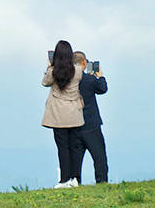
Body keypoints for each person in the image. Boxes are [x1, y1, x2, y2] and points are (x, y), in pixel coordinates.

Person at [41, 40, 84, 188]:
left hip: (58, 114)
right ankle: (75, 178)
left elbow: (45, 82)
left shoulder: (53, 72)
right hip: (75, 113)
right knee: (75, 147)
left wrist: (49, 65)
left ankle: (64, 179)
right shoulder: (78, 71)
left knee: (63, 148)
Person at [70, 51, 109, 184]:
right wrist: (100, 76)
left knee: (75, 159)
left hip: (74, 125)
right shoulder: (90, 80)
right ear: (84, 63)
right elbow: (103, 89)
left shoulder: (69, 81)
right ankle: (101, 181)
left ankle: (75, 182)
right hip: (91, 124)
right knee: (99, 158)